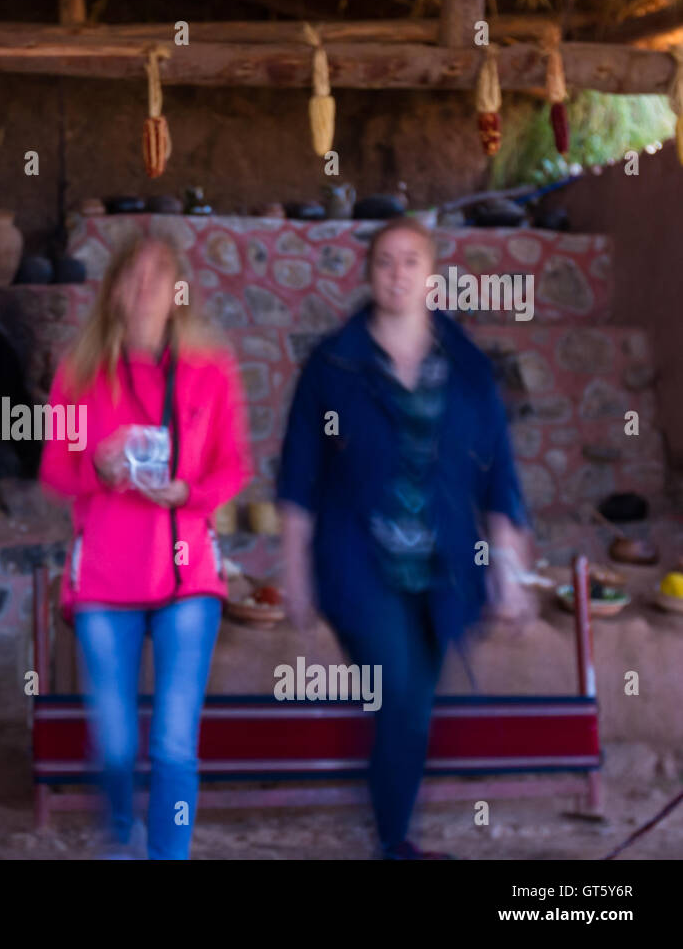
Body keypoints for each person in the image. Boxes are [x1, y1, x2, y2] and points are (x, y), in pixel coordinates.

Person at [277, 216, 534, 860]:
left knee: (413, 706)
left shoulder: (467, 368)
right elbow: (298, 477)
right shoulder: (333, 365)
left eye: (411, 261)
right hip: (355, 562)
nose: (398, 273)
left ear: (433, 276)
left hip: (444, 565)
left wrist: (508, 566)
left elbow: (498, 471)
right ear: (369, 274)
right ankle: (393, 845)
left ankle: (393, 839)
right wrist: (296, 572)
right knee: (396, 691)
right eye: (386, 261)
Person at [39, 234, 253, 859]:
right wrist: (97, 470)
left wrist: (188, 489)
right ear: (113, 290)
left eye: (160, 274)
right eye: (132, 274)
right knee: (115, 744)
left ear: (179, 289)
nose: (146, 285)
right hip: (105, 577)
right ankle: (118, 828)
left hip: (188, 574)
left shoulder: (209, 369)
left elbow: (233, 467)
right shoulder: (79, 371)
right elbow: (55, 470)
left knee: (173, 745)